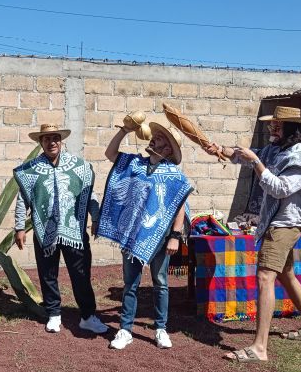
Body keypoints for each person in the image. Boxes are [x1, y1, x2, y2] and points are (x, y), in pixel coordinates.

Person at [204, 106, 301, 362]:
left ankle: (259, 348)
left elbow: (280, 189)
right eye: (272, 124)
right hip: (276, 224)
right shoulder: (277, 149)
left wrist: (257, 162)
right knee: (285, 275)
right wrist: (220, 150)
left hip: (284, 225)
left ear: (292, 129)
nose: (272, 128)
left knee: (264, 276)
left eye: (277, 124)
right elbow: (242, 156)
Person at [98, 120, 192, 350]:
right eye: (155, 136)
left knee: (160, 282)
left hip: (160, 237)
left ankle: (161, 328)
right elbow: (110, 153)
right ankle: (125, 329)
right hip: (133, 234)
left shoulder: (174, 175)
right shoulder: (134, 163)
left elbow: (180, 205)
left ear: (168, 149)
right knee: (130, 283)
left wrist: (175, 236)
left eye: (160, 139)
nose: (154, 139)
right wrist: (125, 130)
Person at [13, 123, 107, 335]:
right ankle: (54, 313)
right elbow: (22, 199)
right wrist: (20, 227)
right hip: (45, 230)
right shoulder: (31, 170)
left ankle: (88, 316)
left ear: (61, 141)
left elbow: (89, 195)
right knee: (48, 273)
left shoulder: (79, 167)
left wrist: (96, 218)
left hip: (74, 229)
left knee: (81, 274)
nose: (51, 142)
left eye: (55, 138)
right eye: (46, 139)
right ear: (41, 142)